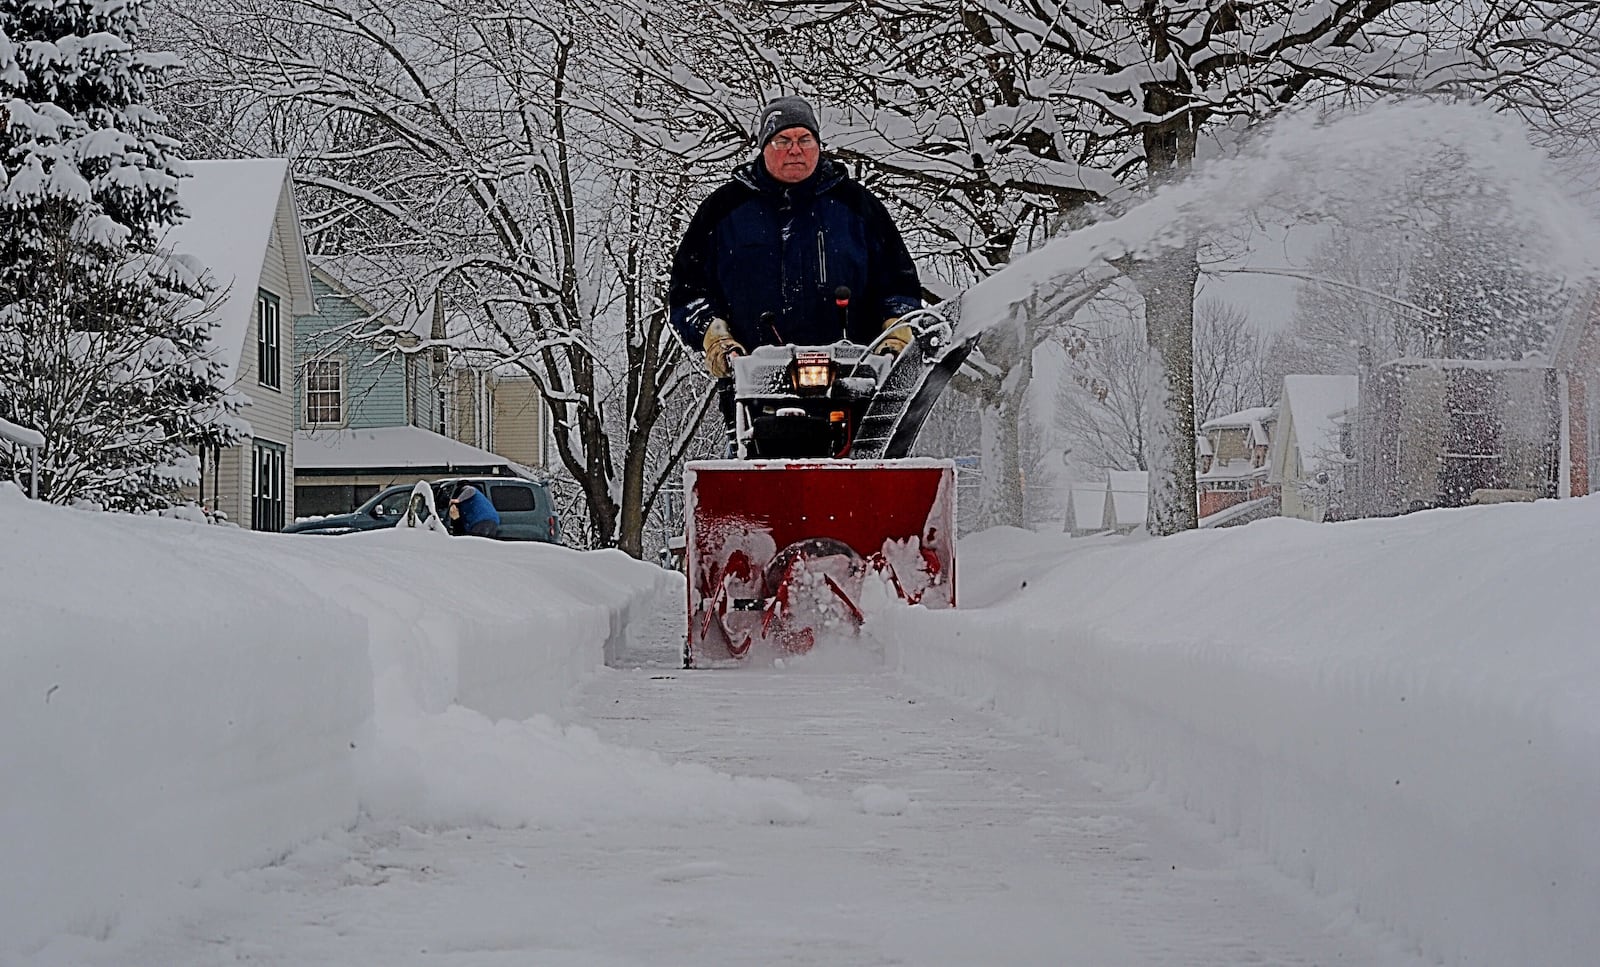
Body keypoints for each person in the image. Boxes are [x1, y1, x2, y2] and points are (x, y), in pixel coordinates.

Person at [668, 95, 923, 391]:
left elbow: (898, 285)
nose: (795, 150)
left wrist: (894, 335)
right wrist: (716, 337)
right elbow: (688, 291)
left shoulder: (858, 207)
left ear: (818, 145)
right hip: (753, 382)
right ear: (764, 146)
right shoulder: (723, 211)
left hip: (854, 379)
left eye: (805, 139)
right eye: (782, 140)